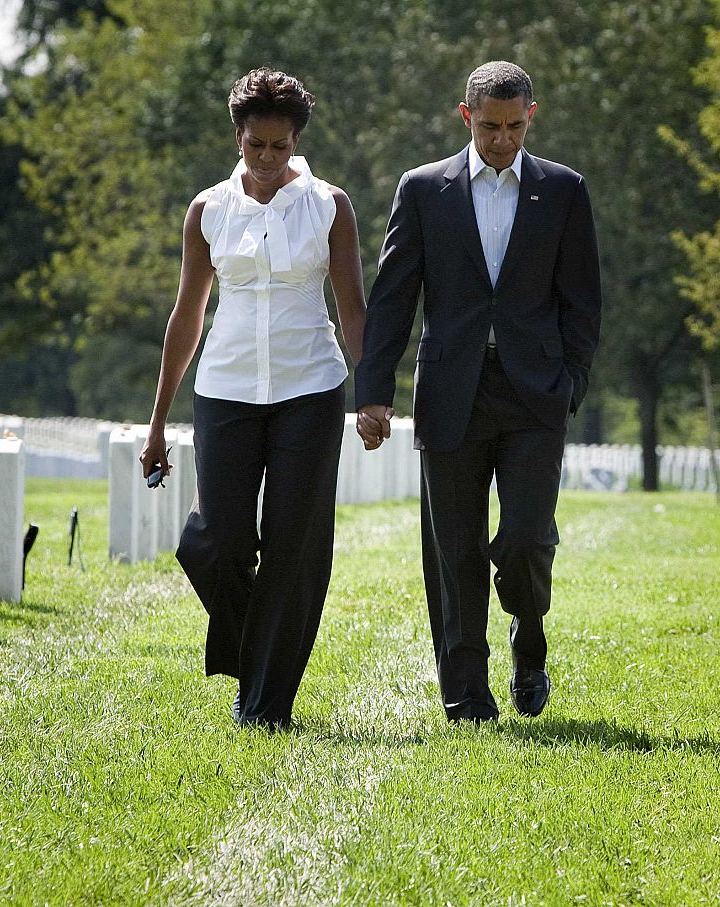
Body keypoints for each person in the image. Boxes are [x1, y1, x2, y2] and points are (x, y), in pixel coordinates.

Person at [354, 61, 602, 723]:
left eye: (514, 126)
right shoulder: (423, 190)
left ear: (531, 116)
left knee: (525, 536)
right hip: (449, 390)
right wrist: (372, 391)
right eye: (489, 126)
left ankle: (530, 632)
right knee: (454, 549)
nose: (502, 139)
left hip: (533, 395)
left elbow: (583, 303)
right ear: (467, 118)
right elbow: (393, 298)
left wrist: (569, 384)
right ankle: (465, 692)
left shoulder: (564, 191)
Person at [139, 68, 367, 729]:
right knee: (218, 541)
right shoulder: (207, 210)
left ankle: (265, 704)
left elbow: (352, 309)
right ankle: (251, 653)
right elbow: (187, 316)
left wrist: (372, 392)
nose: (267, 159)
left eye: (280, 146)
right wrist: (157, 423)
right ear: (238, 136)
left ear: (295, 141)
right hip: (226, 389)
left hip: (311, 389)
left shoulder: (331, 205)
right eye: (255, 145)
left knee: (295, 547)